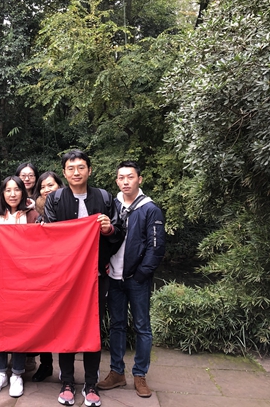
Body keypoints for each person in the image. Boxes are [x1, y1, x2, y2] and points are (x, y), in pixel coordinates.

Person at [43, 150, 123, 407]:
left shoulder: (104, 197)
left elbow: (119, 232)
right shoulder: (55, 199)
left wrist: (108, 229)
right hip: (65, 279)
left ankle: (90, 383)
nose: (76, 172)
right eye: (71, 168)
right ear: (64, 172)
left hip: (96, 277)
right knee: (65, 328)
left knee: (92, 329)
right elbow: (49, 236)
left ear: (89, 170)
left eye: (81, 167)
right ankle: (67, 381)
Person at [96, 161, 165, 398]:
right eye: (121, 177)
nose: (125, 182)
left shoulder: (150, 209)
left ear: (139, 179)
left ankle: (140, 375)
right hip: (113, 276)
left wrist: (141, 274)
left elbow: (156, 248)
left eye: (130, 177)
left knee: (142, 327)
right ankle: (117, 372)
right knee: (116, 325)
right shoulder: (111, 205)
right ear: (116, 180)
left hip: (136, 279)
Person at [0, 176, 39, 398]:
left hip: (24, 280)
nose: (13, 194)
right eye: (8, 190)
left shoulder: (33, 216)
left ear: (23, 192)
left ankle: (17, 373)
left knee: (19, 326)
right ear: (2, 193)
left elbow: (42, 244)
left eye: (17, 189)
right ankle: (0, 372)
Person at [28, 170, 64, 382]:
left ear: (59, 185)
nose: (46, 190)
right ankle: (46, 363)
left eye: (51, 185)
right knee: (43, 318)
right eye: (42, 186)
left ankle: (66, 368)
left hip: (65, 269)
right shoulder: (35, 213)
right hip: (42, 271)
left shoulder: (69, 206)